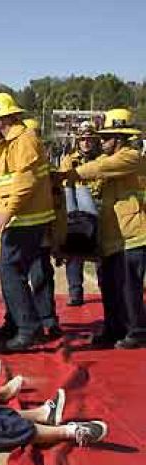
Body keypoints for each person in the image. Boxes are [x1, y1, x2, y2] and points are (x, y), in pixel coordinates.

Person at [0, 93, 57, 352]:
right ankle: (13, 323)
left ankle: (27, 328)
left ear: (4, 120)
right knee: (15, 271)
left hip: (26, 218)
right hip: (21, 217)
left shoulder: (24, 140)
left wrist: (6, 212)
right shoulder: (8, 145)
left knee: (9, 270)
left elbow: (26, 181)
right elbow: (1, 181)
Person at [69, 108, 146, 349]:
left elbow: (99, 169)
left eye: (106, 137)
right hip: (112, 237)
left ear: (120, 138)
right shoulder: (107, 159)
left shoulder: (131, 157)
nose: (101, 141)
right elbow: (96, 171)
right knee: (110, 286)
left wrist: (69, 173)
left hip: (133, 234)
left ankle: (137, 330)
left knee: (128, 288)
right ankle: (113, 329)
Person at [58, 122, 102, 307]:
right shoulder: (69, 159)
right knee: (74, 247)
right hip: (74, 209)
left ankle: (106, 287)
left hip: (97, 205)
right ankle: (75, 292)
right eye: (83, 139)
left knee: (102, 251)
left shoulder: (103, 159)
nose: (86, 143)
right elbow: (62, 181)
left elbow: (102, 183)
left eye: (90, 139)